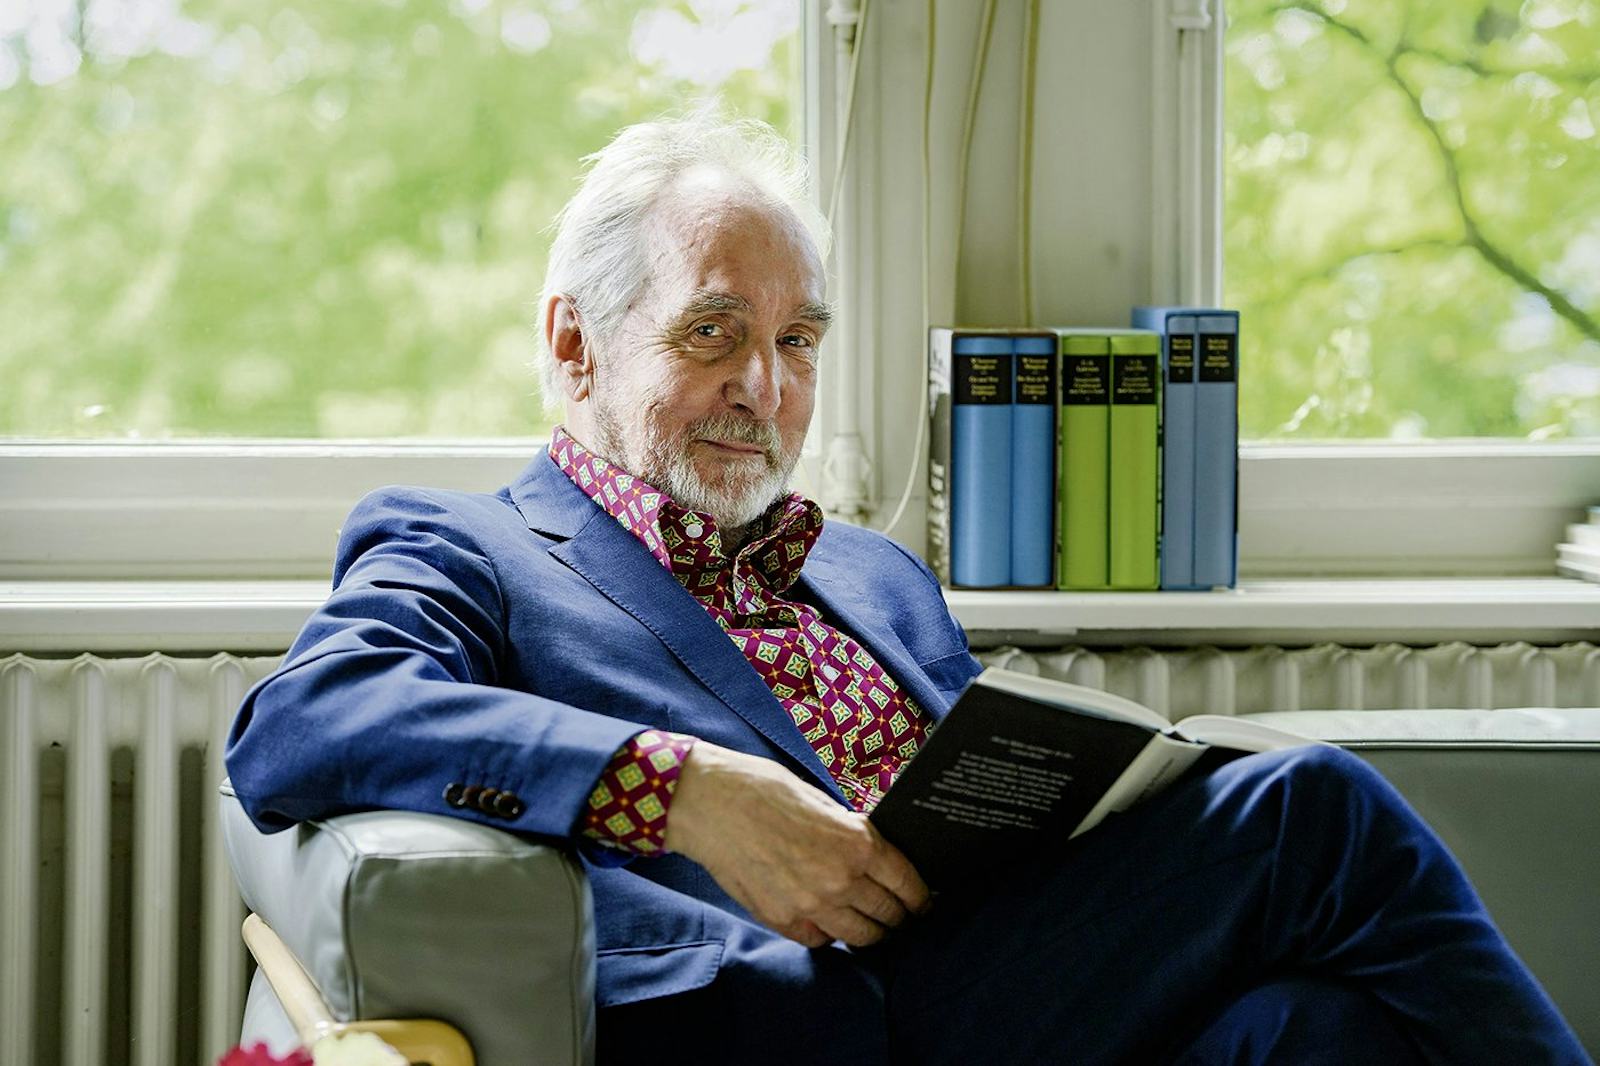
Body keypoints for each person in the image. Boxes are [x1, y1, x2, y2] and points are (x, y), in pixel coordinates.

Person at [225, 112, 1589, 1065]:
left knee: (1313, 1031)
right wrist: (685, 791)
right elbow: (302, 720)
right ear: (575, 342)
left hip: (999, 993)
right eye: (714, 331)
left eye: (798, 341)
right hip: (803, 1022)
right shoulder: (470, 547)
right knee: (1312, 809)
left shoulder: (870, 571)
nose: (765, 387)